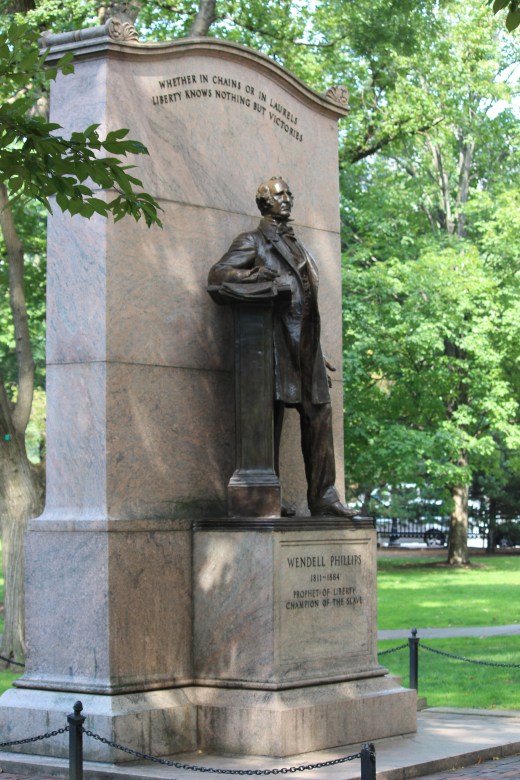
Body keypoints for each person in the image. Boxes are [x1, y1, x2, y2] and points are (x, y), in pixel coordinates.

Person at [208, 176, 356, 518]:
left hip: (307, 346)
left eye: (289, 193)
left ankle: (324, 497)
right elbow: (218, 274)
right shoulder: (252, 241)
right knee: (269, 416)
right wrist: (259, 276)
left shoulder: (298, 244)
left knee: (319, 413)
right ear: (265, 202)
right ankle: (266, 497)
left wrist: (317, 348)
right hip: (273, 345)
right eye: (279, 194)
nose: (287, 198)